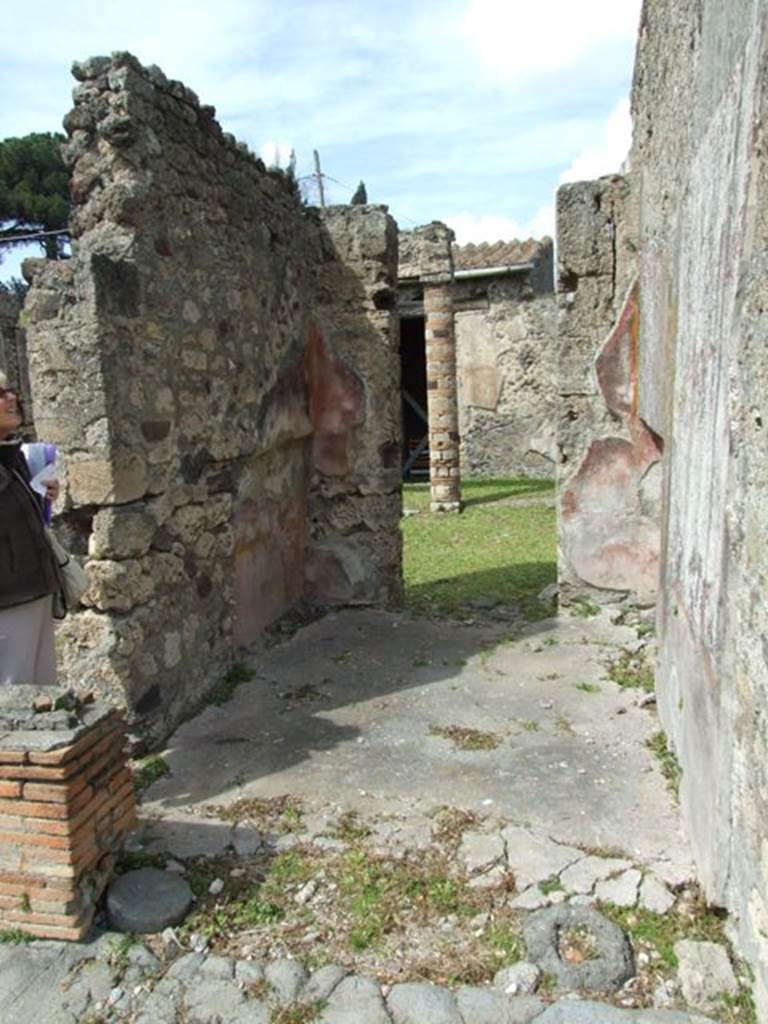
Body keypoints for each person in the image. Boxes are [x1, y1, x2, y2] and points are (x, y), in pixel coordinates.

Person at [0, 371, 61, 684]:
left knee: (42, 692)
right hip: (8, 601)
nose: (12, 397)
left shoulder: (13, 457)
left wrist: (41, 495)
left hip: (35, 591)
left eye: (9, 390)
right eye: (0, 394)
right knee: (13, 694)